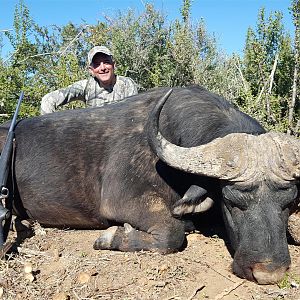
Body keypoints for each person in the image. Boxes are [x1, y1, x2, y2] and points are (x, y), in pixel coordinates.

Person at [40, 45, 138, 115]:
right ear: (91, 70)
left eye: (107, 62)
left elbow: (134, 115)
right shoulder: (85, 86)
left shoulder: (127, 84)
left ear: (114, 65)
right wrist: (50, 128)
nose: (102, 67)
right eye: (97, 64)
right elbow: (48, 100)